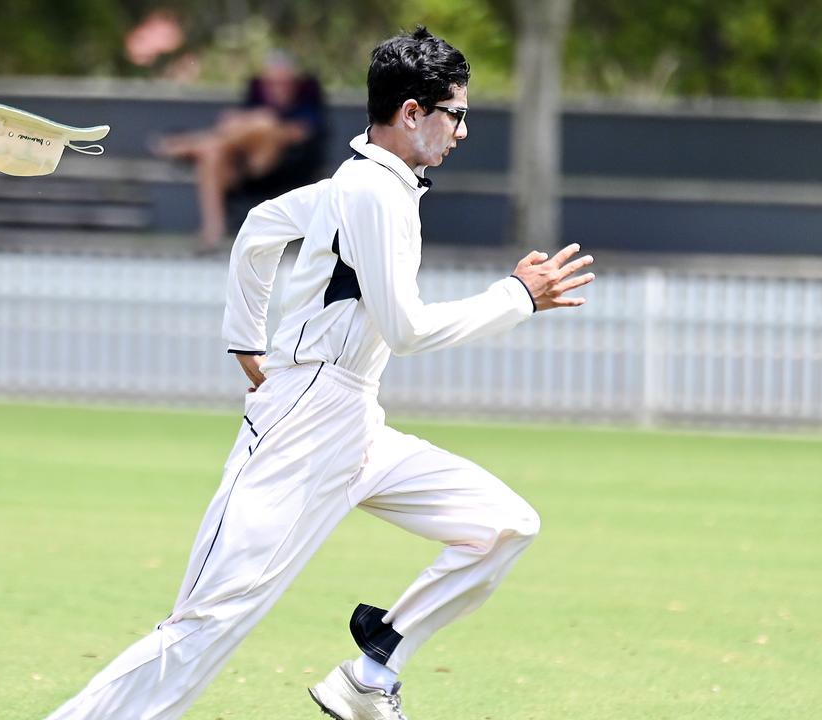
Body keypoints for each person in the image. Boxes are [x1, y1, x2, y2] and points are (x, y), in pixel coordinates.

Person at [44, 26, 594, 720]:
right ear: (412, 113)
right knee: (207, 624)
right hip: (303, 428)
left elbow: (261, 228)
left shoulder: (367, 181)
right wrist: (517, 298)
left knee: (503, 525)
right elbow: (408, 328)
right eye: (455, 113)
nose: (461, 131)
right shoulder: (371, 189)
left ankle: (372, 670)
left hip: (354, 420)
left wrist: (245, 337)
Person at [154, 51, 325, 255]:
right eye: (271, 83)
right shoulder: (257, 98)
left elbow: (302, 133)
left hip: (280, 164)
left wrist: (261, 126)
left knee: (263, 122)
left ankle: (193, 143)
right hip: (243, 166)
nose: (277, 88)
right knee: (212, 154)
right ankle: (212, 232)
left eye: (282, 83)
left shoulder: (306, 101)